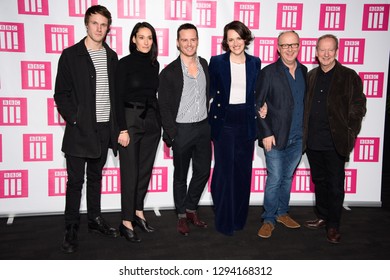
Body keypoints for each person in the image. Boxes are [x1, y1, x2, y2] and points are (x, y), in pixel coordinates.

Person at [54, 5, 119, 253]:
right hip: (80, 131)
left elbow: (114, 94)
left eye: (103, 24)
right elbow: (61, 94)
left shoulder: (111, 57)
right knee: (75, 182)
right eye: (95, 23)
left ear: (107, 28)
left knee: (95, 178)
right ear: (86, 24)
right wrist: (76, 119)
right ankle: (71, 227)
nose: (99, 28)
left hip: (103, 131)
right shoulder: (71, 55)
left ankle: (94, 219)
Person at [303, 34, 367, 244]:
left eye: (330, 50)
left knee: (336, 185)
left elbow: (358, 106)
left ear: (337, 52)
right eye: (322, 49)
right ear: (316, 52)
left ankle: (333, 225)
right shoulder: (311, 76)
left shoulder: (349, 76)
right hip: (313, 142)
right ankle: (322, 216)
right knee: (319, 181)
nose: (326, 54)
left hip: (335, 142)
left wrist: (350, 131)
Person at [208, 21, 261, 236]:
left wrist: (263, 107)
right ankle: (224, 220)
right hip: (224, 121)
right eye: (231, 39)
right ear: (226, 42)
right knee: (223, 174)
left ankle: (239, 219)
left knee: (242, 173)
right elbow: (208, 91)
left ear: (245, 39)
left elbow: (259, 92)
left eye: (239, 38)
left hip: (246, 122)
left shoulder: (255, 62)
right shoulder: (217, 62)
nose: (235, 43)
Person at [158, 23, 211, 236]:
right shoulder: (169, 72)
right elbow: (164, 107)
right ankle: (181, 216)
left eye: (193, 39)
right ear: (178, 42)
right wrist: (173, 134)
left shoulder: (205, 65)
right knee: (180, 175)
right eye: (184, 40)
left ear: (197, 40)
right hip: (182, 130)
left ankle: (191, 209)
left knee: (203, 172)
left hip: (203, 127)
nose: (189, 44)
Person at [256, 30, 307, 239]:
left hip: (298, 138)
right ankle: (268, 218)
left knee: (287, 178)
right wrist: (266, 132)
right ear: (278, 48)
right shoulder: (268, 72)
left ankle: (282, 213)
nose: (289, 49)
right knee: (275, 178)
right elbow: (258, 104)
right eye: (285, 45)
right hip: (275, 138)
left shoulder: (304, 71)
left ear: (299, 46)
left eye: (293, 45)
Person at [115, 22, 161, 243]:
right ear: (133, 39)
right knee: (130, 172)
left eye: (149, 37)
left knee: (144, 170)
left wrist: (158, 122)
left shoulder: (155, 64)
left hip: (151, 121)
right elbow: (117, 98)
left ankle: (138, 212)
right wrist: (122, 128)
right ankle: (125, 221)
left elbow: (152, 95)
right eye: (141, 37)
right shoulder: (123, 64)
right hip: (130, 120)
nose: (145, 41)